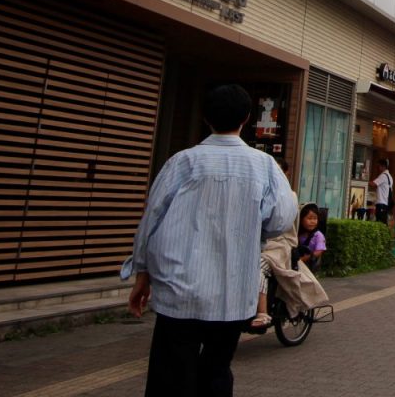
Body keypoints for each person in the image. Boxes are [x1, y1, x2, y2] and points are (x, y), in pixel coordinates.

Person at [121, 84, 297, 396]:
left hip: (178, 287)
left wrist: (141, 273)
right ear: (246, 118)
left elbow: (152, 220)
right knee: (216, 369)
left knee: (170, 374)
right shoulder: (265, 165)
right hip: (232, 291)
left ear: (205, 118)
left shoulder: (183, 161)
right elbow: (280, 219)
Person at [252, 203, 327, 330]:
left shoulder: (317, 235)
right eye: (309, 218)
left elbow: (319, 251)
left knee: (261, 268)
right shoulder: (299, 233)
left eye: (315, 218)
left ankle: (263, 311)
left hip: (295, 258)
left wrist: (306, 257)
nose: (312, 222)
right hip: (290, 255)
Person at [372, 158, 393, 224]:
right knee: (383, 222)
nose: (378, 168)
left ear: (383, 166)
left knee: (380, 222)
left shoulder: (383, 176)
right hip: (385, 204)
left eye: (378, 166)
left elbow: (373, 184)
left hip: (381, 203)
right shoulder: (390, 177)